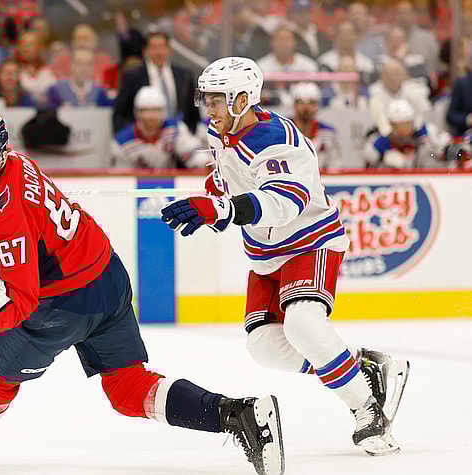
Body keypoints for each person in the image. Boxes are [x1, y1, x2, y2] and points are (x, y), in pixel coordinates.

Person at [0, 111, 285, 475]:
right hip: (106, 276)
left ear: (2, 156)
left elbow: (20, 297)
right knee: (127, 387)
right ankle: (236, 414)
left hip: (61, 303)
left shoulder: (4, 214)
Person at [161, 57, 410, 456]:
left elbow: (285, 201)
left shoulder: (275, 140)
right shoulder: (219, 131)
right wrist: (213, 198)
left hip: (310, 241)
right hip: (265, 253)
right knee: (265, 348)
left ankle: (367, 410)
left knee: (304, 326)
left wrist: (223, 210)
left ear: (242, 99)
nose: (209, 108)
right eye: (206, 99)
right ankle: (363, 368)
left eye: (217, 100)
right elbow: (228, 179)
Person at [113, 31, 200, 134]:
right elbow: (120, 113)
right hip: (143, 140)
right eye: (153, 47)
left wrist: (190, 133)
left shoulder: (185, 75)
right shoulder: (132, 76)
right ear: (145, 51)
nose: (158, 52)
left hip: (179, 138)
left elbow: (193, 111)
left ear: (169, 50)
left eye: (162, 47)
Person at [111, 86, 209, 169]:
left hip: (170, 186)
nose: (150, 116)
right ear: (137, 113)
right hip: (138, 188)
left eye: (155, 110)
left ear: (163, 111)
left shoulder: (174, 129)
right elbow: (122, 177)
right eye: (145, 110)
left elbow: (191, 152)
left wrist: (205, 162)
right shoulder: (122, 143)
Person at [365, 99, 454, 169]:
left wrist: (437, 152)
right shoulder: (379, 142)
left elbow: (451, 150)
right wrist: (383, 158)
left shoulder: (427, 131)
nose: (403, 130)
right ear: (390, 125)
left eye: (406, 123)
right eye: (397, 126)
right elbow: (367, 172)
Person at [289, 82, 342, 169]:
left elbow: (335, 166)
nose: (306, 107)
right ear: (294, 105)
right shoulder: (282, 130)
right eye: (301, 102)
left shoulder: (328, 134)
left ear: (317, 105)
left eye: (311, 102)